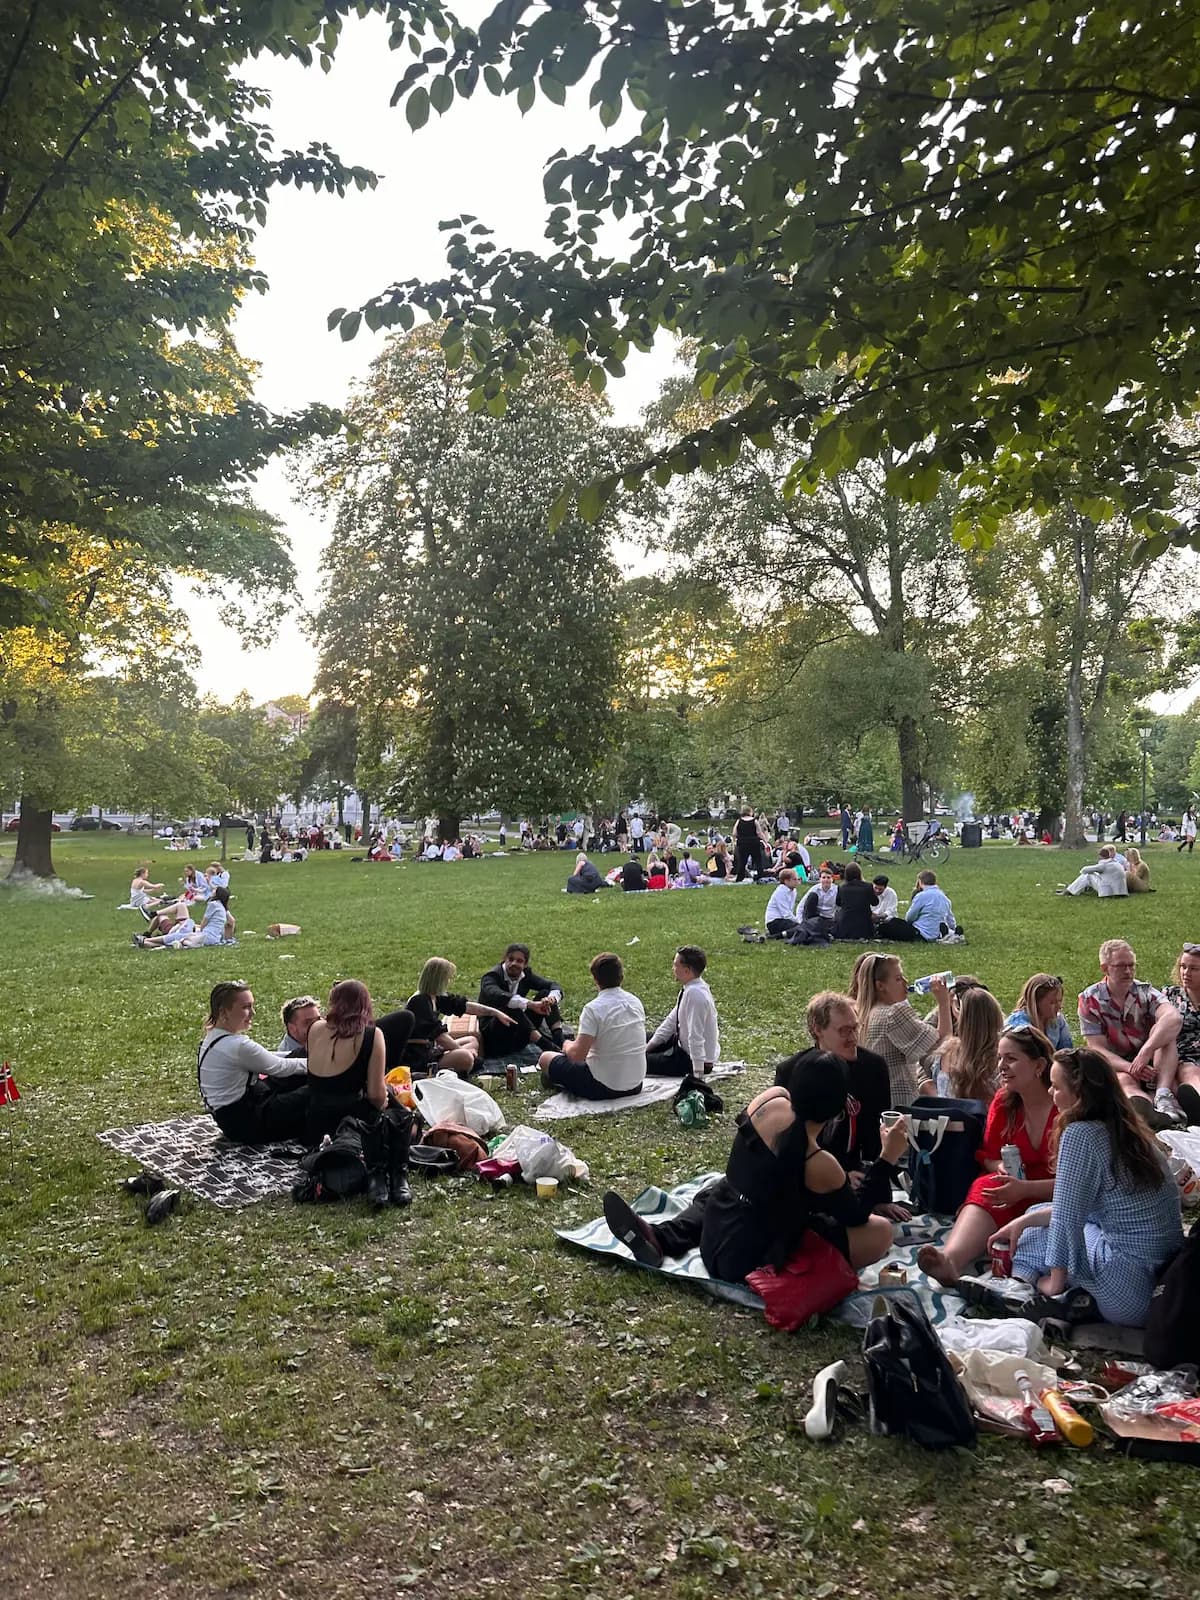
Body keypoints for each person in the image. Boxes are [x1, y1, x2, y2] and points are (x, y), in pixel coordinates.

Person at [602, 1053, 901, 1280]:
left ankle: (662, 1237)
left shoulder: (770, 1101)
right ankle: (806, 1275)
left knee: (729, 1186)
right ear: (837, 1106)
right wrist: (886, 1159)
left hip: (716, 1232)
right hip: (750, 1260)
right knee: (881, 1231)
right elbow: (857, 1215)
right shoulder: (821, 1164)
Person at [990, 1048, 1183, 1326]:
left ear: (1078, 1095)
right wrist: (1026, 1218)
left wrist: (1054, 1282)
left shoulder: (1081, 1134)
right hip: (1163, 1281)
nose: (1050, 1094)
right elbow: (1083, 1209)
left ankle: (1024, 1285)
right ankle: (1064, 1294)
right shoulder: (1131, 1132)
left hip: (1126, 1292)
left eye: (1056, 1087)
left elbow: (1068, 1219)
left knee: (1037, 1232)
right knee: (1038, 1214)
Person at [918, 1026, 1059, 1286]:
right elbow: (987, 1156)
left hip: (1058, 1192)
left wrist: (1026, 1189)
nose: (1001, 1066)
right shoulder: (1004, 1103)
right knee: (987, 1184)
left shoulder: (1064, 1105)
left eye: (1011, 1059)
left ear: (1039, 1065)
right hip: (1015, 1184)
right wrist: (1000, 1166)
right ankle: (950, 1261)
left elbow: (1077, 1183)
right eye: (999, 1058)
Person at [776, 991, 909, 1221]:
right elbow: (788, 1143)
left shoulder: (872, 1067)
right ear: (818, 1029)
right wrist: (841, 1177)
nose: (852, 1037)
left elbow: (874, 1136)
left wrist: (878, 1195)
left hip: (854, 1169)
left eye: (855, 1028)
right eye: (843, 1031)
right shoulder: (793, 1072)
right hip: (811, 1173)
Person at [1078, 939, 1183, 1124]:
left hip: (1152, 1060)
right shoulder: (1089, 999)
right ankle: (1142, 1107)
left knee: (1166, 1033)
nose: (1128, 971)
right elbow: (1097, 1049)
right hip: (1118, 1063)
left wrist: (1146, 1051)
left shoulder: (1145, 992)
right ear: (1105, 968)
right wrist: (1131, 1067)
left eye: (1131, 966)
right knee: (1124, 1080)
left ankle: (1162, 1095)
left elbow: (1173, 1018)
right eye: (1120, 966)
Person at [197, 981, 310, 1144]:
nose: (253, 1013)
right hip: (249, 1124)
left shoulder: (213, 1038)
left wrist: (306, 1057)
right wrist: (319, 1064)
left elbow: (267, 1059)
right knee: (317, 1090)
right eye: (246, 1007)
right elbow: (280, 1067)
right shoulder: (237, 1046)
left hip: (230, 1120)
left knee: (298, 1056)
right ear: (224, 1012)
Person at [538, 952, 646, 1100]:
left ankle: (561, 1082)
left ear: (595, 979)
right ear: (621, 976)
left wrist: (566, 1044)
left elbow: (577, 1056)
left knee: (545, 1058)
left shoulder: (593, 1009)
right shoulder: (635, 1001)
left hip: (604, 1086)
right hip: (635, 1085)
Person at [856, 952, 953, 1105]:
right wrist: (943, 1002)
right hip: (900, 1107)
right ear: (880, 986)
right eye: (898, 978)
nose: (906, 982)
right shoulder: (893, 1014)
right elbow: (943, 1042)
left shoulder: (868, 1012)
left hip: (877, 1102)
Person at [303, 979, 388, 1145]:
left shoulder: (314, 1028)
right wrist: (384, 1100)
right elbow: (376, 1095)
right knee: (402, 1119)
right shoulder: (372, 1034)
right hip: (351, 1128)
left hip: (314, 1126)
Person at [402, 957, 516, 1077]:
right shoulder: (420, 1001)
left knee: (471, 1040)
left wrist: (495, 1012)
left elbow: (465, 1006)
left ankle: (465, 1063)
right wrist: (462, 1051)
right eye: (447, 978)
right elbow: (441, 1038)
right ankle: (460, 1066)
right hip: (418, 1058)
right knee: (465, 1057)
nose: (449, 981)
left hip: (432, 1050)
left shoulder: (436, 996)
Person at [478, 944, 565, 1058]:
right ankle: (547, 1046)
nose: (514, 963)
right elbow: (499, 996)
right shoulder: (491, 977)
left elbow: (553, 985)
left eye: (519, 961)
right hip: (494, 1037)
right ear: (505, 959)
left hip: (519, 1032)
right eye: (511, 959)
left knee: (545, 995)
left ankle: (559, 1039)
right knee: (511, 1007)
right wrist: (530, 1004)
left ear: (525, 964)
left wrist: (551, 999)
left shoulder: (526, 975)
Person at [645, 945, 720, 1077]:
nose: (673, 969)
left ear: (687, 971)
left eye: (675, 965)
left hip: (692, 1060)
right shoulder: (690, 987)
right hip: (681, 1044)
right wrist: (649, 1046)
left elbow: (695, 1037)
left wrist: (698, 1074)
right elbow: (671, 1021)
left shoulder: (696, 995)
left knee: (638, 1063)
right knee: (639, 1038)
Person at [933, 986, 1005, 1100]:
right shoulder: (1001, 1058)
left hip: (945, 1116)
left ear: (962, 1018)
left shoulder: (947, 1051)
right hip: (983, 1117)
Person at [1164, 944, 1200, 1126]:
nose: (1186, 972)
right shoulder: (1169, 996)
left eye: (1194, 968)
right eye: (1183, 966)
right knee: (1190, 1072)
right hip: (1183, 1057)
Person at [876, 869, 960, 942]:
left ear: (920, 881)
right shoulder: (944, 898)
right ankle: (951, 934)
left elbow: (910, 917)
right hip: (937, 932)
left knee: (892, 922)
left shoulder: (921, 896)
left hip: (921, 933)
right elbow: (950, 919)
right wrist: (953, 928)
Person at [1005, 972, 1073, 1051]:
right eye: (1052, 1003)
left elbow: (1067, 1052)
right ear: (1035, 1002)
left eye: (1060, 1001)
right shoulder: (1018, 1028)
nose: (1059, 1007)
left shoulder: (1058, 1021)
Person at [1057, 844, 1128, 897]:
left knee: (1087, 875)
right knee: (1093, 875)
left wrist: (1091, 871)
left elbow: (1084, 870)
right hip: (1121, 891)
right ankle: (1072, 889)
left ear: (1101, 856)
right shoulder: (1116, 863)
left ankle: (1069, 891)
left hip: (1109, 892)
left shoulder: (1103, 865)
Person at [833, 861, 878, 941]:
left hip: (845, 927)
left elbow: (838, 903)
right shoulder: (867, 886)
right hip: (864, 928)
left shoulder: (842, 887)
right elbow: (875, 902)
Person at [797, 867, 837, 941]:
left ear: (832, 879)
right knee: (812, 897)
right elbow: (801, 906)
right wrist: (800, 922)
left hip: (829, 919)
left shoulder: (837, 890)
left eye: (828, 877)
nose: (826, 880)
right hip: (815, 917)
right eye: (823, 877)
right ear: (820, 879)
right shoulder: (814, 889)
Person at [764, 868, 800, 938]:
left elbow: (790, 910)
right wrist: (798, 921)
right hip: (774, 922)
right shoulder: (781, 892)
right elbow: (786, 914)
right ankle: (776, 936)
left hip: (784, 920)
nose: (797, 881)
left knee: (801, 927)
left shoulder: (793, 891)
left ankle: (782, 934)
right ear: (786, 881)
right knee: (800, 927)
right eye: (795, 879)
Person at [732, 806, 765, 882]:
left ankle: (740, 877)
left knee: (742, 861)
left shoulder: (739, 821)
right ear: (750, 812)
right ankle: (760, 875)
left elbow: (734, 833)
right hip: (754, 843)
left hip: (742, 843)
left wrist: (735, 841)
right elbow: (759, 832)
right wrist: (765, 840)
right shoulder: (754, 821)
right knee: (757, 860)